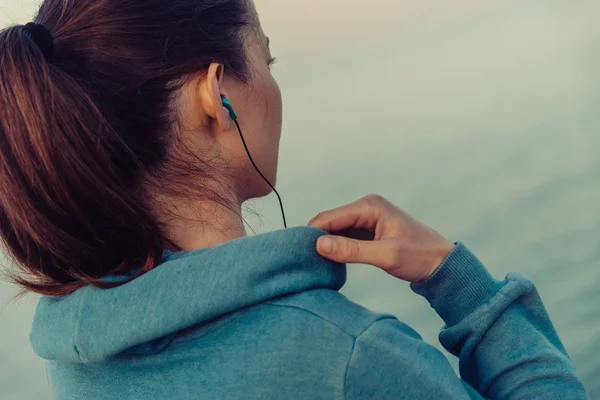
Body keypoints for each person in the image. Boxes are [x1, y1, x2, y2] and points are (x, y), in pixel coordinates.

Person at [0, 0, 589, 399]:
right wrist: (456, 279)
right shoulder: (341, 355)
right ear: (215, 96)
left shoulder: (76, 356)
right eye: (267, 60)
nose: (275, 85)